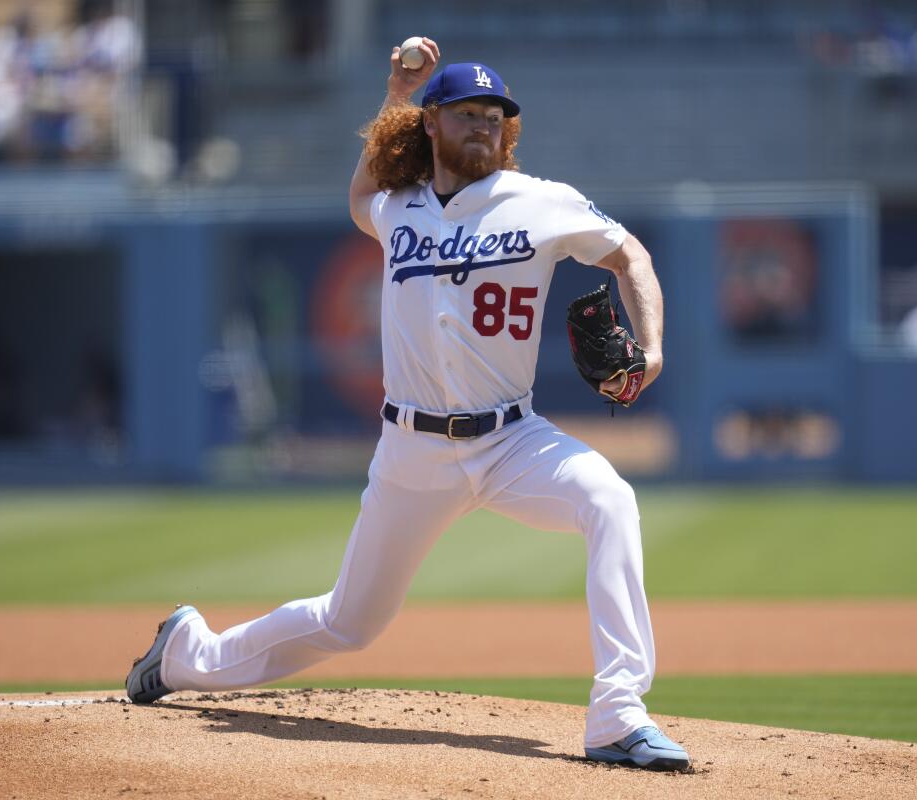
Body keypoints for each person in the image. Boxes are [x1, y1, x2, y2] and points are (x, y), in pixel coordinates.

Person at [125, 38, 690, 772]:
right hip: (412, 452)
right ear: (432, 123)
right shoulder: (399, 210)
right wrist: (395, 92)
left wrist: (651, 347)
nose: (485, 124)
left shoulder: (542, 201)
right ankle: (186, 654)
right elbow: (358, 197)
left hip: (512, 441)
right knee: (348, 623)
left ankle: (617, 714)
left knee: (608, 500)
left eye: (496, 114)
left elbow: (630, 256)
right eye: (467, 113)